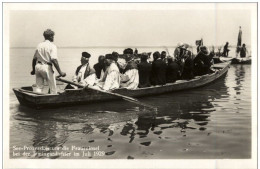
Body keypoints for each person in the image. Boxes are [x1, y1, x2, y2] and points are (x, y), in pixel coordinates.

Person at [30, 29, 66, 94]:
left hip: (38, 67)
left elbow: (34, 59)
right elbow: (54, 60)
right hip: (46, 67)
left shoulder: (39, 45)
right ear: (50, 36)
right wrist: (60, 72)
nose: (53, 38)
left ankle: (37, 99)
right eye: (53, 36)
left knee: (39, 87)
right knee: (53, 88)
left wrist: (33, 70)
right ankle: (53, 100)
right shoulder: (52, 46)